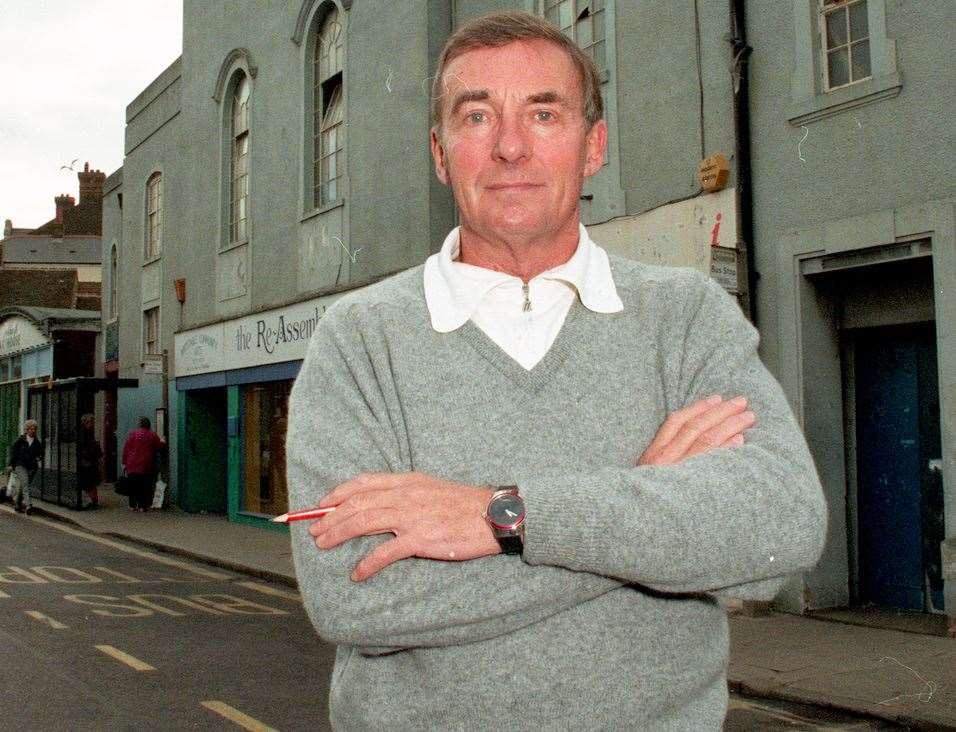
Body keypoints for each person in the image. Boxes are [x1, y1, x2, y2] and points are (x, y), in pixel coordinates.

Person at [286, 11, 828, 730]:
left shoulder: (685, 316)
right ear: (441, 153)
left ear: (593, 144)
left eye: (544, 113)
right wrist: (647, 506)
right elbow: (353, 595)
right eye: (476, 116)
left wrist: (501, 516)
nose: (511, 147)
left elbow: (781, 526)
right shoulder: (357, 342)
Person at [121, 417, 164, 512]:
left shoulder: (132, 434)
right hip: (146, 465)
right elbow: (160, 446)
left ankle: (133, 505)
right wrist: (163, 441)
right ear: (149, 425)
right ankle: (142, 506)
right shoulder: (152, 435)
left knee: (133, 486)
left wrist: (124, 463)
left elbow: (126, 449)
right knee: (144, 486)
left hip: (132, 464)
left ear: (140, 424)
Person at [7, 419, 43, 515]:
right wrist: (10, 465)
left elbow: (40, 454)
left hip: (31, 467)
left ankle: (18, 504)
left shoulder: (37, 443)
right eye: (31, 429)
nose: (33, 431)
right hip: (20, 465)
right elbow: (13, 453)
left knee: (24, 486)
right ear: (26, 430)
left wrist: (39, 458)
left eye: (34, 429)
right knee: (26, 483)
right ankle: (29, 505)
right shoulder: (20, 441)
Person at [77, 413, 103, 509]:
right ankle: (92, 501)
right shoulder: (84, 433)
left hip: (88, 461)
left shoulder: (86, 432)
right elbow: (86, 448)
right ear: (86, 422)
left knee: (90, 482)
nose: (92, 424)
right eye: (91, 422)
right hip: (87, 461)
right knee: (90, 482)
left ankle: (93, 501)